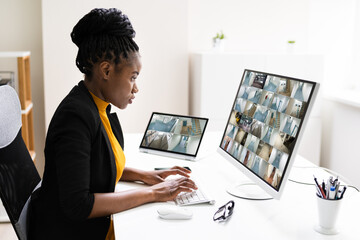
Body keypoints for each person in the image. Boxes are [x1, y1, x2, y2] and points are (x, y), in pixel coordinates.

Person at [29, 8, 196, 240]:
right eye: (133, 77)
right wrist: (153, 193)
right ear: (106, 70)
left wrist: (144, 175)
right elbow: (78, 204)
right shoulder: (75, 117)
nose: (136, 88)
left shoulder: (96, 107)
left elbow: (96, 166)